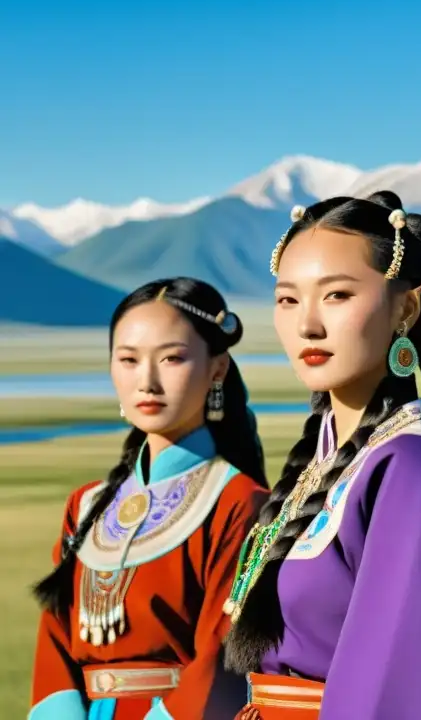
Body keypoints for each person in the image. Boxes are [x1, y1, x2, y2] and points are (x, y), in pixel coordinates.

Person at [223, 193, 421, 719]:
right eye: (287, 300)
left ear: (405, 309)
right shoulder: (324, 457)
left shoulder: (410, 465)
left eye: (337, 296)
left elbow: (392, 688)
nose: (307, 326)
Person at [29, 278, 269, 720]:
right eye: (128, 360)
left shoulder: (240, 502)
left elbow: (222, 655)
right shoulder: (85, 506)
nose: (147, 381)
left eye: (172, 358)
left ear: (217, 369)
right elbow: (55, 642)